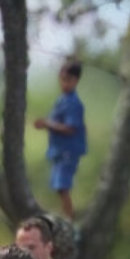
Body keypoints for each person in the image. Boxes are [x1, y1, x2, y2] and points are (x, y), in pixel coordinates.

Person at [33, 60, 87, 221]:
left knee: (62, 186)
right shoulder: (62, 99)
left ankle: (69, 218)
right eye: (62, 79)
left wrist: (47, 124)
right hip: (58, 150)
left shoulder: (73, 103)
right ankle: (65, 215)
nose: (64, 83)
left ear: (76, 80)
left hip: (67, 151)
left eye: (68, 79)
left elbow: (70, 128)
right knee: (58, 186)